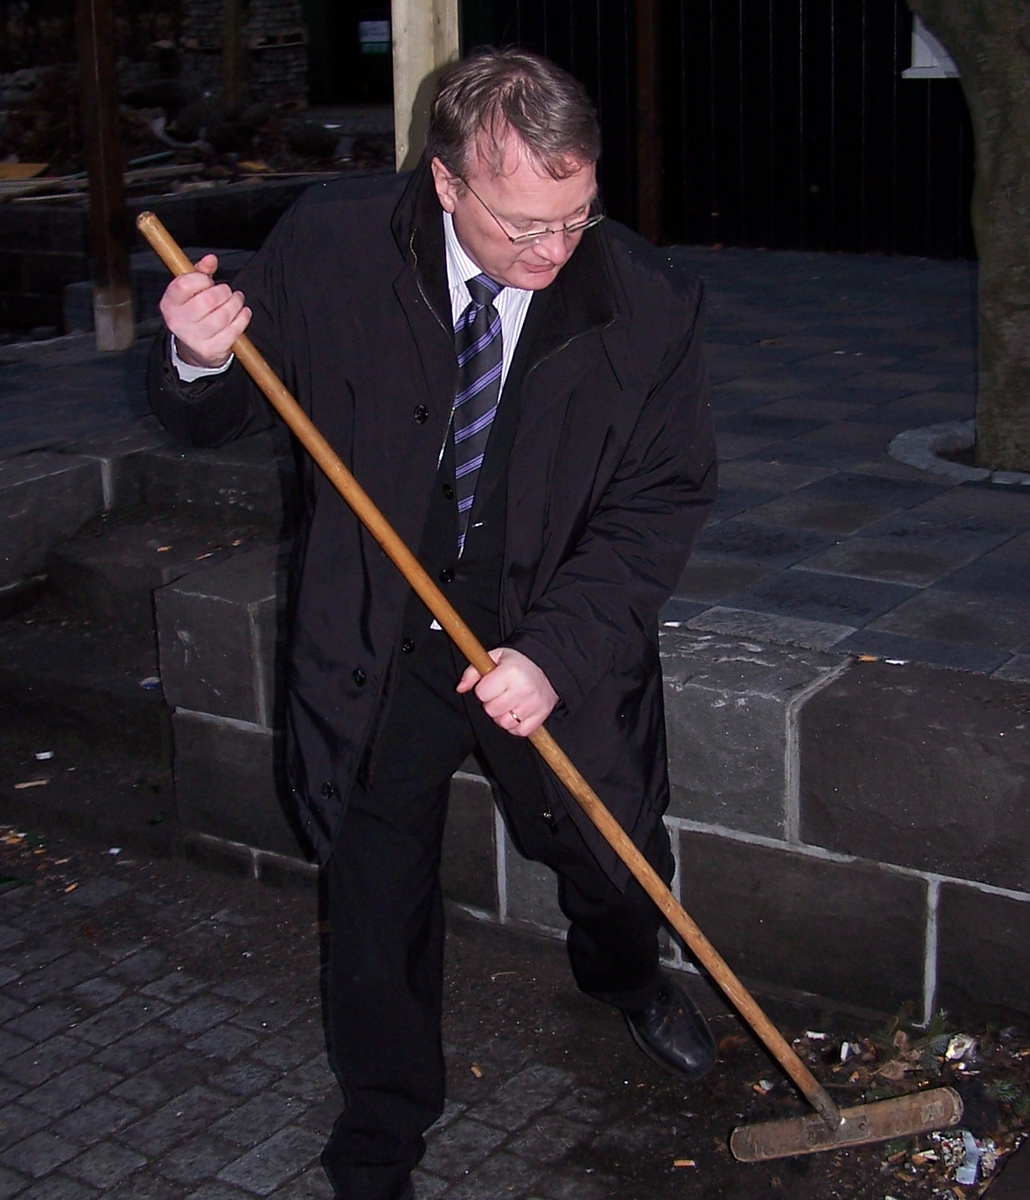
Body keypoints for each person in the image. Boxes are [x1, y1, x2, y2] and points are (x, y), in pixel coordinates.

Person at [148, 48, 717, 1200]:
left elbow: (659, 503)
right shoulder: (334, 243)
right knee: (374, 893)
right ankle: (381, 1136)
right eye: (525, 225)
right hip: (378, 631)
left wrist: (553, 654)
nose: (555, 251)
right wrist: (196, 359)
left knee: (610, 857)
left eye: (578, 214)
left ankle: (625, 976)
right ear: (447, 182)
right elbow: (219, 412)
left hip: (546, 627)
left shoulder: (643, 300)